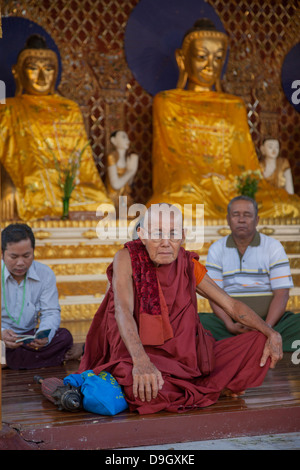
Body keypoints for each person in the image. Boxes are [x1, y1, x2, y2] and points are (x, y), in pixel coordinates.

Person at [78, 203, 282, 415]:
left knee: (259, 341)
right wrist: (141, 362)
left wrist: (270, 331)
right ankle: (209, 387)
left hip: (188, 361)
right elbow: (123, 310)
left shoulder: (187, 264)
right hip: (140, 355)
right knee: (143, 388)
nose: (166, 243)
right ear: (142, 235)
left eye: (173, 234)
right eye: (157, 235)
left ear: (183, 236)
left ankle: (198, 386)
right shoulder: (126, 258)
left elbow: (231, 305)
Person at [148, 18, 300, 220]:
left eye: (218, 58)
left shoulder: (234, 105)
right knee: (169, 204)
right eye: (202, 56)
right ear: (182, 59)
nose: (210, 65)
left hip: (232, 187)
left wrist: (225, 181)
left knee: (288, 206)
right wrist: (206, 180)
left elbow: (246, 165)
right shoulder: (167, 101)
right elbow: (169, 162)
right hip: (193, 188)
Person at [0, 34, 112, 221]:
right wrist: (3, 181)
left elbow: (83, 163)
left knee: (103, 204)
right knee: (26, 200)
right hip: (30, 185)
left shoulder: (69, 108)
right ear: (17, 72)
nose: (42, 77)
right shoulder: (7, 107)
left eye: (49, 69)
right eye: (33, 69)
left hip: (73, 189)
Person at [201, 195, 299, 352]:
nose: (241, 220)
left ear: (257, 220)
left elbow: (282, 294)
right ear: (227, 219)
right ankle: (256, 342)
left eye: (247, 215)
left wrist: (266, 327)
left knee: (297, 323)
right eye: (236, 215)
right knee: (196, 323)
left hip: (271, 323)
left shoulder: (273, 247)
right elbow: (213, 293)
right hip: (230, 326)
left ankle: (243, 344)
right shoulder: (217, 249)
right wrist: (229, 324)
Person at [1, 223, 73, 369]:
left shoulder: (45, 274)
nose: (20, 263)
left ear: (33, 252)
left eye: (26, 256)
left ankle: (7, 361)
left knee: (64, 337)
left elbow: (51, 312)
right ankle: (16, 360)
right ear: (2, 254)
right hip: (2, 339)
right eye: (14, 257)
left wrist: (44, 335)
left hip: (29, 340)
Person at [105, 130, 139, 214]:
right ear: (114, 140)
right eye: (123, 137)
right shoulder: (112, 157)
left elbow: (128, 184)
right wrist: (131, 171)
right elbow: (116, 184)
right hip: (112, 198)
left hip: (124, 199)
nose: (127, 140)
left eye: (127, 138)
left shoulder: (128, 159)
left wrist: (133, 168)